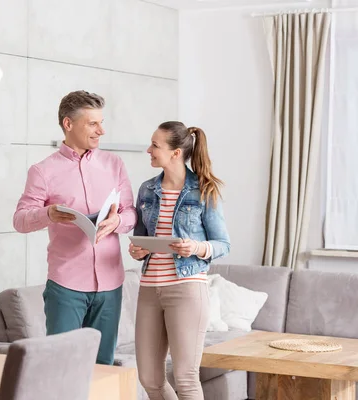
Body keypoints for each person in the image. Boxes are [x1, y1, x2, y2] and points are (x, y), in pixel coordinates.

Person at [13, 90, 136, 365]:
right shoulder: (43, 171)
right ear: (68, 124)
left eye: (101, 122)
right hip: (66, 285)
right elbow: (20, 219)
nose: (101, 130)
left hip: (110, 284)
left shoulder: (114, 164)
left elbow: (130, 213)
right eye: (93, 123)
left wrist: (117, 221)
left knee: (103, 367)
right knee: (61, 366)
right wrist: (48, 214)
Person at [128, 121, 230, 399]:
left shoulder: (204, 189)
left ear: (175, 153)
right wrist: (138, 251)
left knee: (185, 378)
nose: (149, 150)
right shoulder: (147, 190)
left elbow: (223, 244)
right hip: (150, 288)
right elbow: (141, 239)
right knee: (149, 378)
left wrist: (195, 247)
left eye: (155, 145)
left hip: (187, 288)